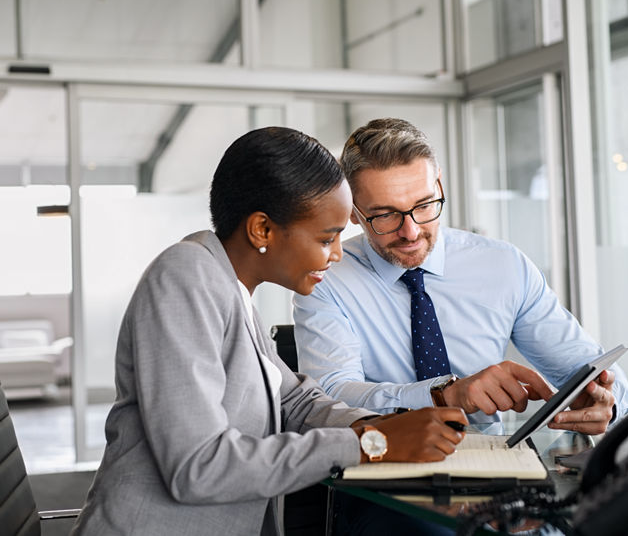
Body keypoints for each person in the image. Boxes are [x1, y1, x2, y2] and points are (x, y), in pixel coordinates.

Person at [71, 126, 468, 536]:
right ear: (262, 229)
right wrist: (371, 444)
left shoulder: (231, 288)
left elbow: (295, 400)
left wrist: (379, 426)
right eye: (326, 237)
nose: (336, 254)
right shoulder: (186, 277)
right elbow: (198, 466)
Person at [293, 118, 628, 433]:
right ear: (353, 211)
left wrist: (606, 401)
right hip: (382, 476)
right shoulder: (326, 278)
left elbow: (589, 367)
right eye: (385, 215)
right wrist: (444, 396)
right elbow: (331, 399)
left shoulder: (503, 265)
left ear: (439, 184)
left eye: (425, 205)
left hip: (498, 471)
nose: (411, 232)